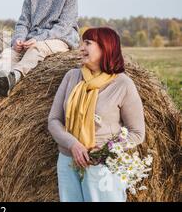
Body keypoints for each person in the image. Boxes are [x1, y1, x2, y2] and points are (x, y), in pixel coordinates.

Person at [48, 27, 145, 202]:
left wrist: (105, 152)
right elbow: (54, 120)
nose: (81, 48)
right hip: (67, 161)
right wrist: (73, 145)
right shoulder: (72, 77)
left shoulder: (123, 84)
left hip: (102, 165)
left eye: (88, 43)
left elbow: (137, 133)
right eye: (82, 43)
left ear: (105, 47)